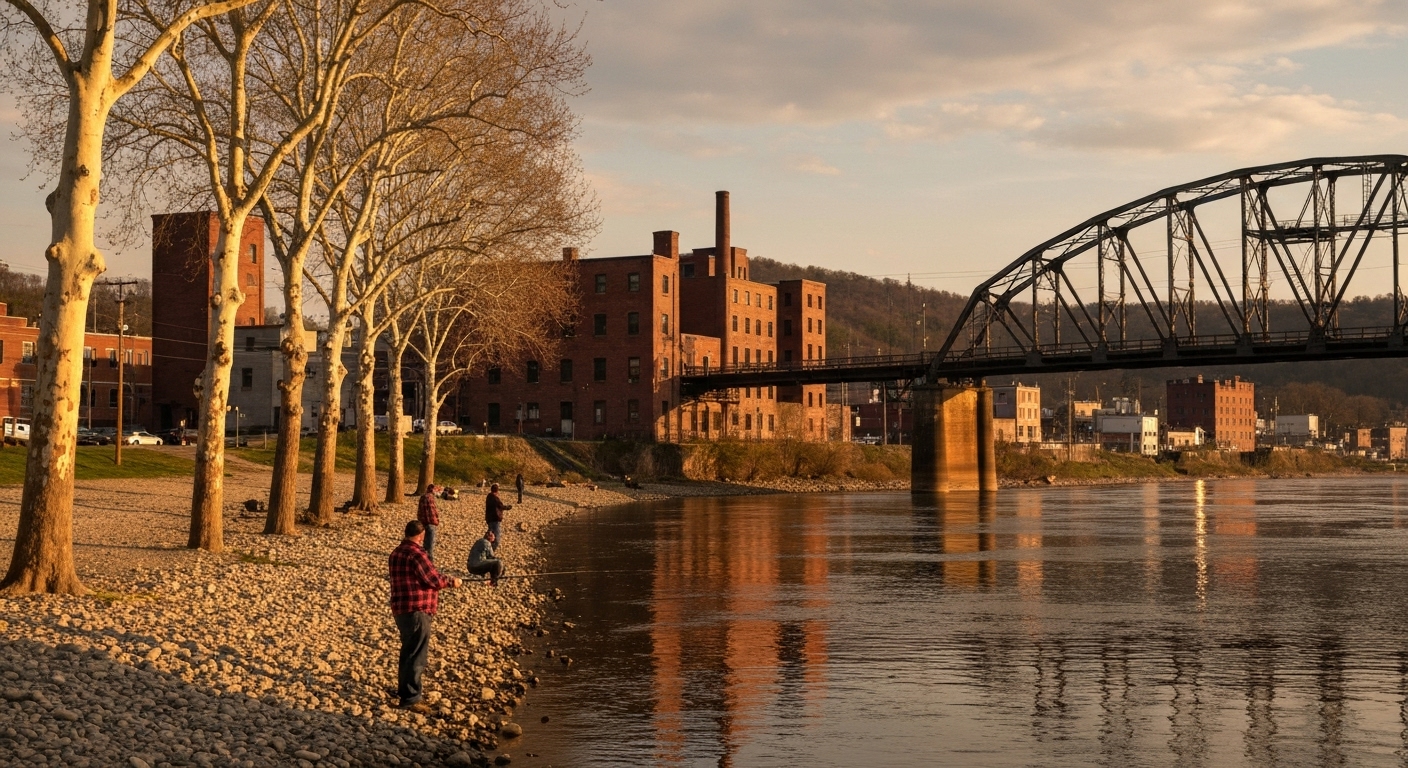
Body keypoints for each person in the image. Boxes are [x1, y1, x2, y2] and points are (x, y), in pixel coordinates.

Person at [388, 520, 460, 712]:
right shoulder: (417, 553)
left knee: (408, 651)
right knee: (417, 654)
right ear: (420, 536)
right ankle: (411, 698)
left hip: (401, 610)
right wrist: (452, 582)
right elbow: (433, 579)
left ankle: (404, 691)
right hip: (417, 610)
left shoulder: (396, 553)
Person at [418, 484, 440, 560]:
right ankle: (429, 560)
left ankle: (424, 557)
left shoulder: (423, 496)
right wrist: (436, 521)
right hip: (430, 522)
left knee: (425, 542)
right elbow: (431, 512)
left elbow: (420, 511)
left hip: (423, 522)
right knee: (430, 543)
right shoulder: (430, 498)